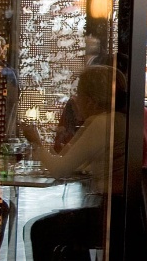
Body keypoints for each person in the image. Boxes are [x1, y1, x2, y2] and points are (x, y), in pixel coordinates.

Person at [24, 66, 127, 260]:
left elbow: (58, 169)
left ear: (90, 99)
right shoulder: (122, 119)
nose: (75, 100)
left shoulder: (102, 123)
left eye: (78, 94)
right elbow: (70, 158)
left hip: (108, 214)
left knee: (40, 229)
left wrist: (35, 142)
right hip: (124, 210)